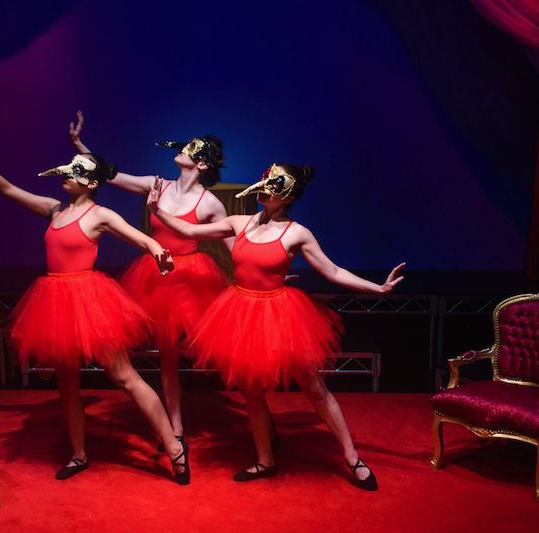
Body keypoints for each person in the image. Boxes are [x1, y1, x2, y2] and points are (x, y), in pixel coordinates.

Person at [147, 163, 405, 489]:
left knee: (314, 388)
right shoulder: (241, 223)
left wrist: (377, 288)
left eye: (275, 184)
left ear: (288, 197)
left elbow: (333, 271)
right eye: (266, 181)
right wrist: (157, 209)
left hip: (280, 315)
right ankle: (264, 460)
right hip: (241, 311)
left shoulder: (297, 233)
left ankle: (352, 457)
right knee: (251, 391)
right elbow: (188, 231)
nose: (265, 188)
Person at [0, 128, 189, 484]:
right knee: (66, 384)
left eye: (74, 171)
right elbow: (9, 190)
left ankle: (174, 448)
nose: (66, 175)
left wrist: (158, 251)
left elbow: (138, 235)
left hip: (89, 302)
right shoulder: (55, 210)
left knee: (124, 376)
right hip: (55, 302)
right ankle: (78, 454)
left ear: (90, 183)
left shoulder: (100, 215)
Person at [70, 112, 230, 445]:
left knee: (223, 350)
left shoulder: (211, 203)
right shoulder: (157, 185)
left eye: (190, 149)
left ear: (201, 164)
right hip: (159, 275)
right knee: (168, 354)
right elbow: (110, 175)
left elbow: (234, 245)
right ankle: (175, 426)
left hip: (193, 281)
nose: (182, 150)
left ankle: (259, 415)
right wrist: (80, 145)